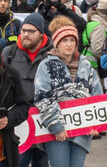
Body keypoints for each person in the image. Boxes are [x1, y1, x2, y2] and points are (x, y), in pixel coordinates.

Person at [34, 21, 103, 167]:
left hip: (82, 130)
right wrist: (56, 126)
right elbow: (42, 97)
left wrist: (96, 124)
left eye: (72, 40)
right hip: (57, 131)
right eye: (65, 40)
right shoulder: (46, 65)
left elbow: (97, 97)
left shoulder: (86, 65)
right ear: (57, 43)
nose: (69, 44)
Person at [2, 14, 47, 167]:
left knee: (41, 162)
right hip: (17, 122)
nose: (26, 34)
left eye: (31, 31)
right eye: (24, 30)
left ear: (41, 33)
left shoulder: (52, 54)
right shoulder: (9, 52)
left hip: (44, 121)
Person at [80, 0, 107, 87]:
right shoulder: (99, 27)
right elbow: (97, 49)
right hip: (93, 64)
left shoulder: (93, 22)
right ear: (106, 14)